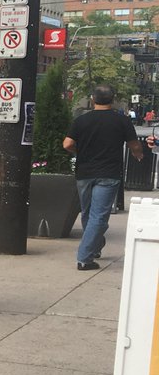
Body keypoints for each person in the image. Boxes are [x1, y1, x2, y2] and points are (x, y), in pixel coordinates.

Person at [62, 85, 146, 271]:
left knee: (88, 213)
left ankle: (95, 246)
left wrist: (80, 152)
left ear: (93, 99)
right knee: (98, 216)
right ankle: (84, 258)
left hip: (84, 173)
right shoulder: (121, 121)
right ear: (113, 99)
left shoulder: (81, 120)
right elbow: (134, 145)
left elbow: (67, 144)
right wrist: (138, 154)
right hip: (109, 173)